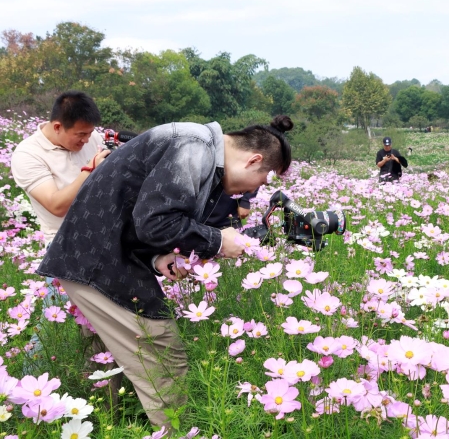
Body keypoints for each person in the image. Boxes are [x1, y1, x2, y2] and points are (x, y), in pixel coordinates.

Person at [37, 116, 293, 430]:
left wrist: (159, 257)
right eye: (263, 179)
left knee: (112, 362)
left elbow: (137, 210)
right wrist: (217, 240)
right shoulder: (194, 145)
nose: (256, 189)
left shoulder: (196, 145)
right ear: (253, 160)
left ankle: (109, 426)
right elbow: (156, 221)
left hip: (96, 256)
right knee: (164, 355)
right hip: (100, 263)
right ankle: (179, 432)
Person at [10, 91, 111, 245]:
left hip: (105, 232)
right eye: (81, 134)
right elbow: (56, 206)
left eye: (90, 133)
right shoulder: (27, 154)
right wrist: (89, 170)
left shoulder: (91, 137)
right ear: (57, 127)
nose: (87, 139)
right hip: (65, 243)